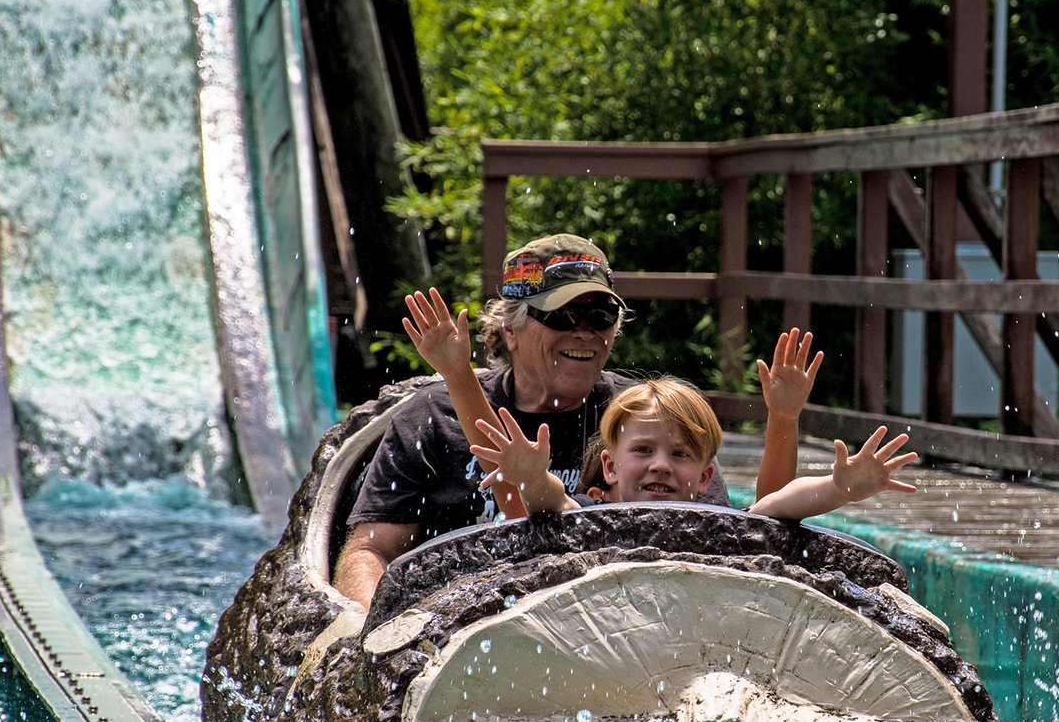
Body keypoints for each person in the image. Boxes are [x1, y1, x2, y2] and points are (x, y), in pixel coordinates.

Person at [331, 233, 818, 607]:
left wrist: (786, 422)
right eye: (562, 316)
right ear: (511, 330)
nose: (584, 332)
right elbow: (370, 551)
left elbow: (736, 540)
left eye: (600, 315)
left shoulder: (646, 417)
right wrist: (366, 630)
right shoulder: (432, 416)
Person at [473, 377, 918, 521]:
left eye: (681, 455)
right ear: (609, 468)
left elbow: (776, 506)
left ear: (706, 478)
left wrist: (838, 489)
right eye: (643, 450)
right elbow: (552, 501)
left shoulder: (715, 526)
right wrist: (532, 477)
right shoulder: (591, 520)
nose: (661, 466)